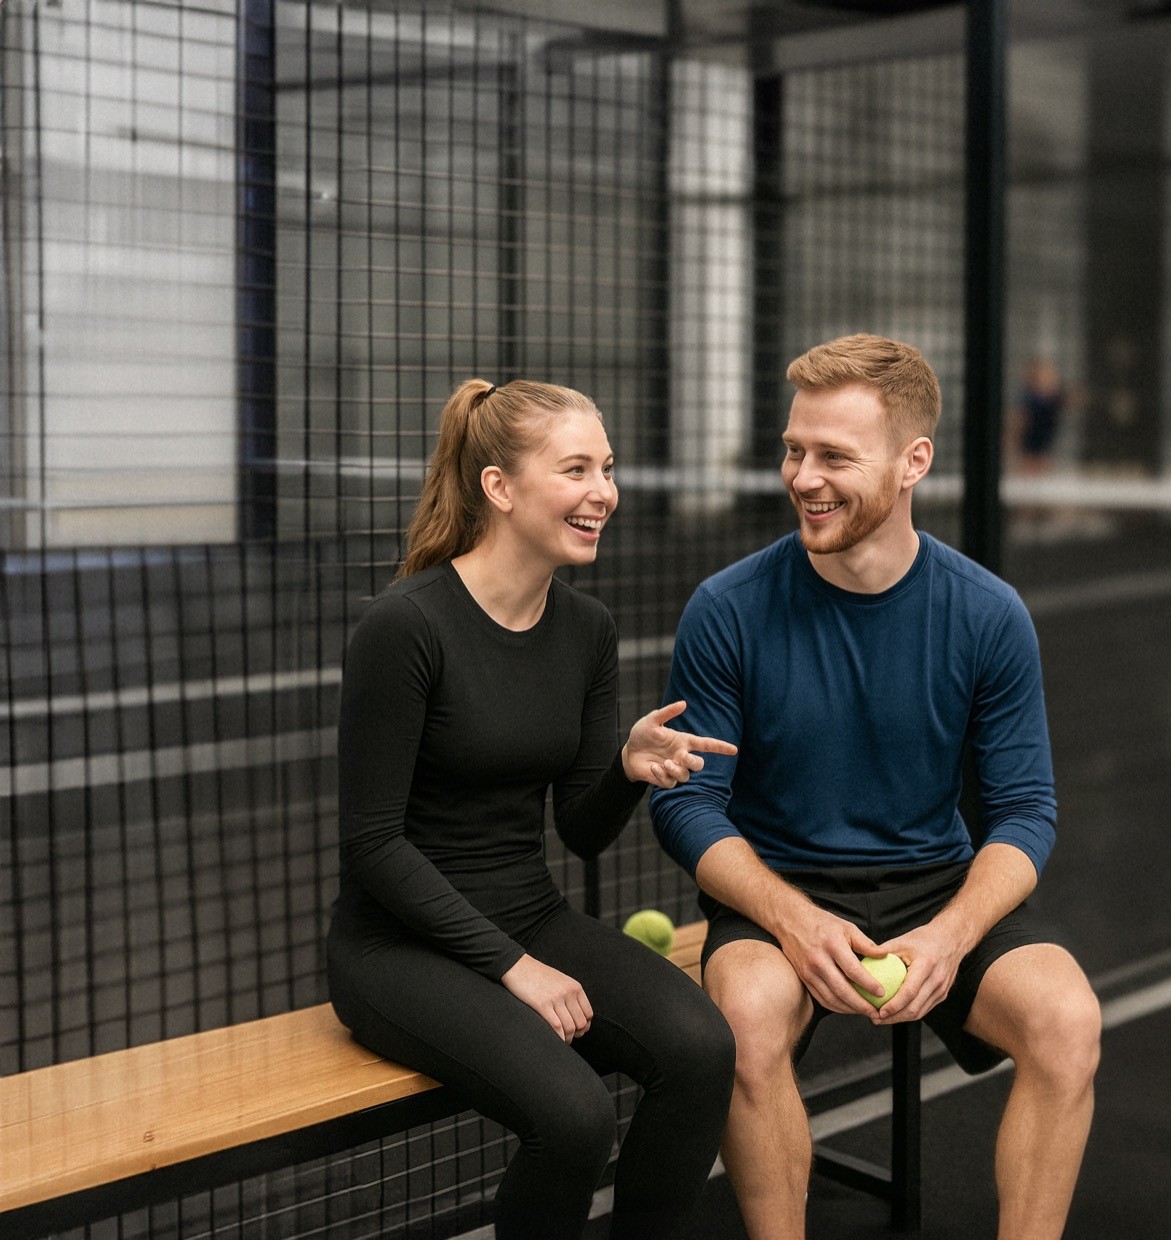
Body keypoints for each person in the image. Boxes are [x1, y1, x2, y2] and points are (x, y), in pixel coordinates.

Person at [651, 336, 1101, 1240]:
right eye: (793, 449)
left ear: (912, 463)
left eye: (834, 457)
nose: (802, 477)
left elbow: (1025, 812)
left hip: (936, 886)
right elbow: (686, 803)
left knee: (1068, 1020)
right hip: (781, 887)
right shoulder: (725, 609)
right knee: (741, 1018)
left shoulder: (986, 614)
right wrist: (791, 917)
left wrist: (951, 934)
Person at [328, 378, 737, 1240]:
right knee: (575, 1116)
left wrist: (625, 769)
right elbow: (373, 845)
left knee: (701, 1048)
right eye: (577, 469)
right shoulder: (405, 626)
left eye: (609, 469)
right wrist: (516, 968)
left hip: (526, 912)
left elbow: (581, 832)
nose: (605, 493)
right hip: (396, 947)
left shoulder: (586, 629)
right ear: (500, 488)